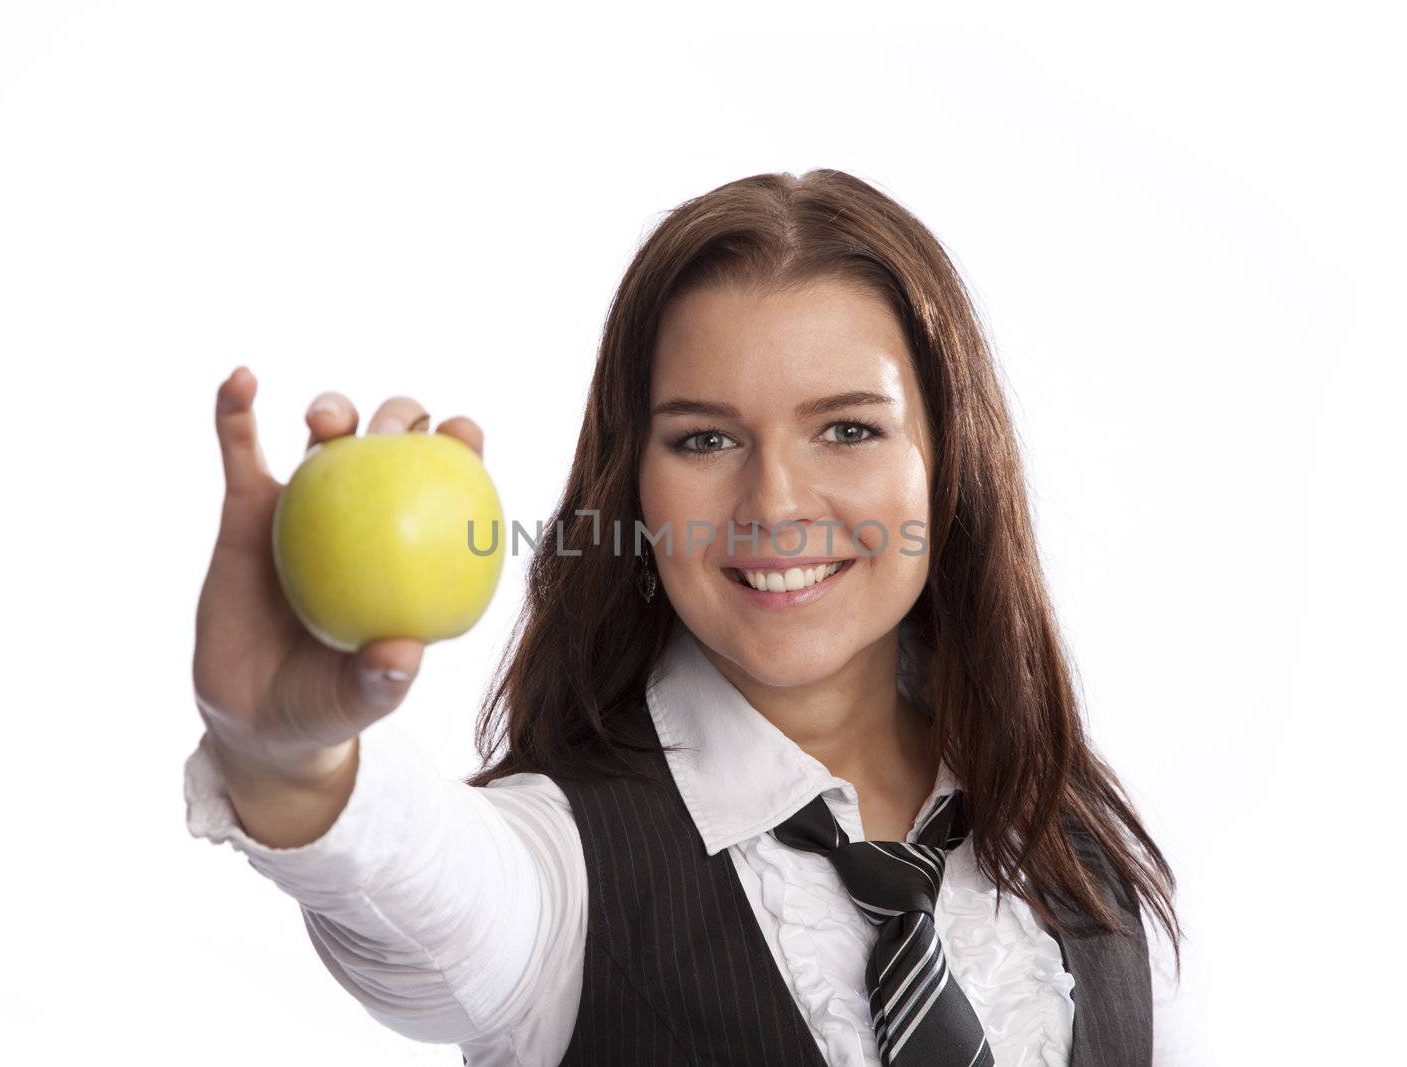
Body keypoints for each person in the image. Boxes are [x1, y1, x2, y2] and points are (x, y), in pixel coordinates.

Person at [187, 169, 1206, 1065]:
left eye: (847, 428)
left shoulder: (1081, 853)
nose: (774, 505)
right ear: (631, 483)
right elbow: (423, 891)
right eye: (705, 441)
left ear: (948, 462)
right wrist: (288, 758)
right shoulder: (564, 868)